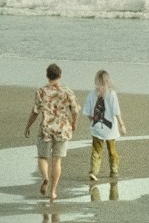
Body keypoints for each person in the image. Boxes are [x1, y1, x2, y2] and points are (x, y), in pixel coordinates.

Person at [24, 63, 79, 202]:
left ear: (47, 76)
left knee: (43, 157)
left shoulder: (41, 91)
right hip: (62, 129)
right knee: (57, 161)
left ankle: (45, 178)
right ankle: (53, 192)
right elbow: (75, 110)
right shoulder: (67, 91)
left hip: (46, 129)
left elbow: (35, 111)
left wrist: (28, 126)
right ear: (60, 75)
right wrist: (74, 122)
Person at [82, 69, 126, 183]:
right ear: (108, 82)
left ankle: (94, 172)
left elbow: (87, 113)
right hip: (110, 130)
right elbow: (116, 112)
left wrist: (93, 122)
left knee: (97, 151)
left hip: (97, 129)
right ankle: (114, 171)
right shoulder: (111, 94)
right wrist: (122, 125)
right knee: (112, 150)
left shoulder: (93, 94)